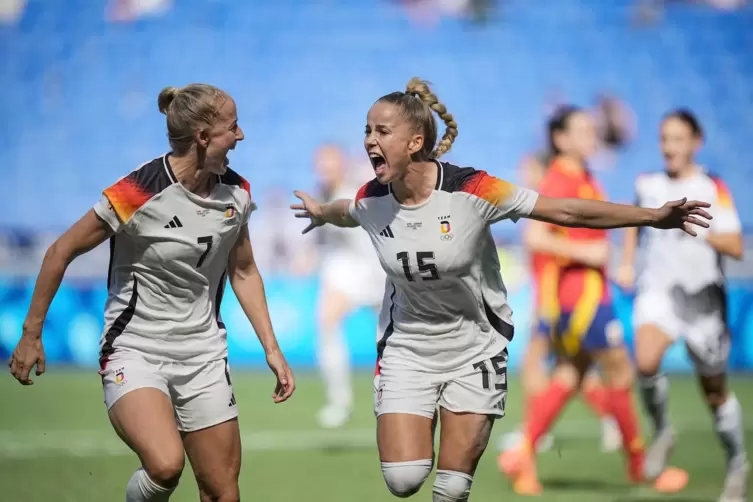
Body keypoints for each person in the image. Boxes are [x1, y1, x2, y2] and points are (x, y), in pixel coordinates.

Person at [290, 77, 710, 501]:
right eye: (367, 130)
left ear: (415, 142)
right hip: (407, 352)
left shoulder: (473, 189)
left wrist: (652, 217)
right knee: (403, 479)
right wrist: (321, 212)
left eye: (381, 131)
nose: (369, 140)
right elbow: (347, 211)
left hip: (475, 351)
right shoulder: (371, 198)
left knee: (450, 490)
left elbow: (564, 209)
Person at [8, 83, 295, 502]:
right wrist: (31, 333)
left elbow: (245, 270)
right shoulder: (138, 190)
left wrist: (271, 348)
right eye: (233, 127)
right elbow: (60, 251)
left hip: (204, 357)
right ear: (202, 137)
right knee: (165, 465)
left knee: (222, 493)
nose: (241, 136)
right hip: (135, 350)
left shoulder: (237, 192)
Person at [617, 109, 748, 502]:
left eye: (677, 138)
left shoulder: (712, 187)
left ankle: (737, 465)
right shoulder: (648, 184)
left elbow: (736, 245)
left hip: (703, 304)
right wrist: (626, 262)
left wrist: (692, 226)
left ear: (695, 142)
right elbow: (632, 225)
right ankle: (662, 432)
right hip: (659, 293)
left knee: (715, 392)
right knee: (644, 362)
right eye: (664, 139)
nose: (669, 147)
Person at [500, 107, 623, 457]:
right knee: (576, 371)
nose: (523, 175)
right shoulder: (568, 189)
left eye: (528, 170)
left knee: (555, 365)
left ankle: (532, 436)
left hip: (559, 297)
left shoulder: (555, 191)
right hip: (554, 292)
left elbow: (537, 241)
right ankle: (611, 424)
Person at [312, 144, 385, 428]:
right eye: (320, 165)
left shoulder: (359, 186)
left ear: (342, 164)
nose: (324, 170)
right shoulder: (321, 194)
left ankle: (389, 393)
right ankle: (339, 400)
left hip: (376, 267)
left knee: (387, 338)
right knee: (326, 321)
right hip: (344, 268)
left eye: (329, 163)